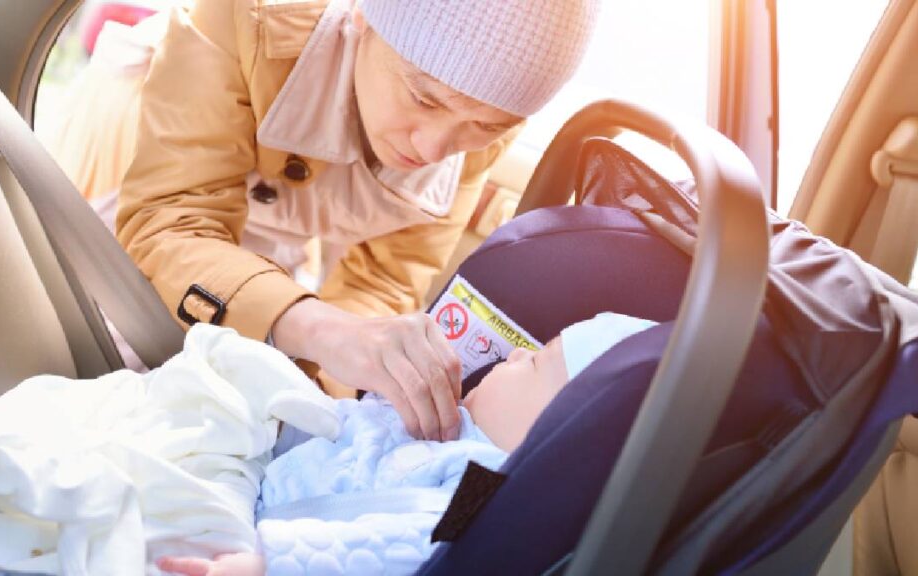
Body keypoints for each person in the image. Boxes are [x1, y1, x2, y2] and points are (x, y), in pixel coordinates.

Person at [108, 0, 600, 443]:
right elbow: (169, 223)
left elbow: (384, 281)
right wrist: (321, 331)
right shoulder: (246, 19)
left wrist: (306, 409)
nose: (433, 149)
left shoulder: (479, 124)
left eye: (485, 128)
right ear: (362, 16)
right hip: (150, 223)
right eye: (424, 99)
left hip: (279, 272)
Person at [155, 313, 657, 576]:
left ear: (559, 431)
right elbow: (344, 427)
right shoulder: (455, 428)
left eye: (536, 362)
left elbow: (398, 548)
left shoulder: (481, 485)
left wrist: (276, 563)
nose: (517, 352)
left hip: (264, 536)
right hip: (250, 463)